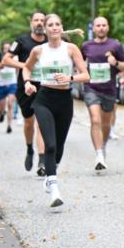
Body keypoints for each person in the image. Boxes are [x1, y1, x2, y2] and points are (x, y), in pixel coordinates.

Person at [21, 13, 90, 208]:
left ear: (61, 28)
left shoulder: (71, 48)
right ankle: (54, 188)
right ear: (45, 29)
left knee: (58, 148)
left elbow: (85, 75)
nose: (53, 27)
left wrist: (69, 79)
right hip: (43, 99)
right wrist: (27, 82)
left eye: (56, 24)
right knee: (49, 145)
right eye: (49, 24)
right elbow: (26, 68)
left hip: (64, 100)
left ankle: (51, 172)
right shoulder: (38, 50)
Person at [81, 16, 124, 171]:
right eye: (98, 25)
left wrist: (115, 62)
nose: (101, 28)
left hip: (109, 89)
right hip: (91, 88)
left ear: (107, 27)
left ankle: (103, 144)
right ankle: (99, 155)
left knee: (106, 123)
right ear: (94, 28)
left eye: (104, 25)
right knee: (95, 120)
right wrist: (80, 70)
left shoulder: (115, 45)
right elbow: (79, 63)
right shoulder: (86, 46)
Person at [4, 12, 48, 175]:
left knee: (42, 123)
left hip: (45, 87)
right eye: (36, 20)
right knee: (29, 122)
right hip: (26, 87)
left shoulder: (51, 41)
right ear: (31, 23)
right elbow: (6, 60)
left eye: (42, 20)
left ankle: (42, 161)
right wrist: (25, 66)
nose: (39, 23)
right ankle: (30, 148)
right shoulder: (21, 41)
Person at [0, 42, 17, 132]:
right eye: (5, 48)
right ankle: (1, 113)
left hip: (12, 84)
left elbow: (17, 69)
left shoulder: (15, 58)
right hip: (1, 85)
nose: (7, 50)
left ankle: (9, 126)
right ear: (2, 50)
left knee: (10, 104)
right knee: (1, 106)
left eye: (9, 48)